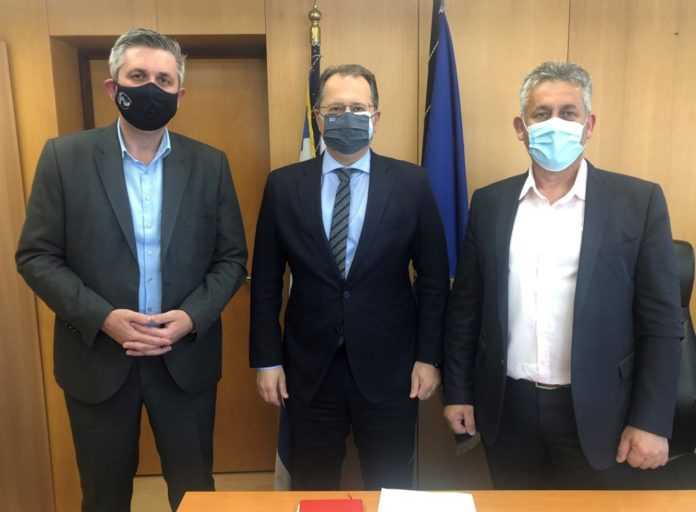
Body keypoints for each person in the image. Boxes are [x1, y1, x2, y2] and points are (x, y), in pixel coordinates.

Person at [16, 28, 247, 511]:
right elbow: (36, 255)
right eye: (138, 76)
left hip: (183, 360)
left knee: (195, 494)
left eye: (164, 80)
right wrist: (103, 317)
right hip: (97, 359)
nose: (151, 88)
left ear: (180, 94)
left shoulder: (210, 165)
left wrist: (191, 317)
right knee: (104, 496)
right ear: (112, 86)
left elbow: (231, 259)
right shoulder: (64, 158)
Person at [443, 61, 682, 489]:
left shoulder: (638, 202)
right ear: (521, 128)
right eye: (541, 114)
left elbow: (662, 322)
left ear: (588, 125)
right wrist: (458, 391)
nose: (555, 124)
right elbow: (466, 309)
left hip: (601, 414)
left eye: (568, 113)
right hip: (507, 410)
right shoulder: (490, 203)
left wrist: (651, 420)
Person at [250, 64, 449, 490]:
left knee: (391, 485)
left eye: (358, 108)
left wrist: (429, 357)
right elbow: (265, 282)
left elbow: (434, 278)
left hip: (392, 369)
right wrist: (267, 359)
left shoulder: (411, 183)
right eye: (335, 108)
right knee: (312, 485)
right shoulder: (283, 185)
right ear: (318, 117)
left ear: (376, 116)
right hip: (309, 370)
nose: (347, 116)